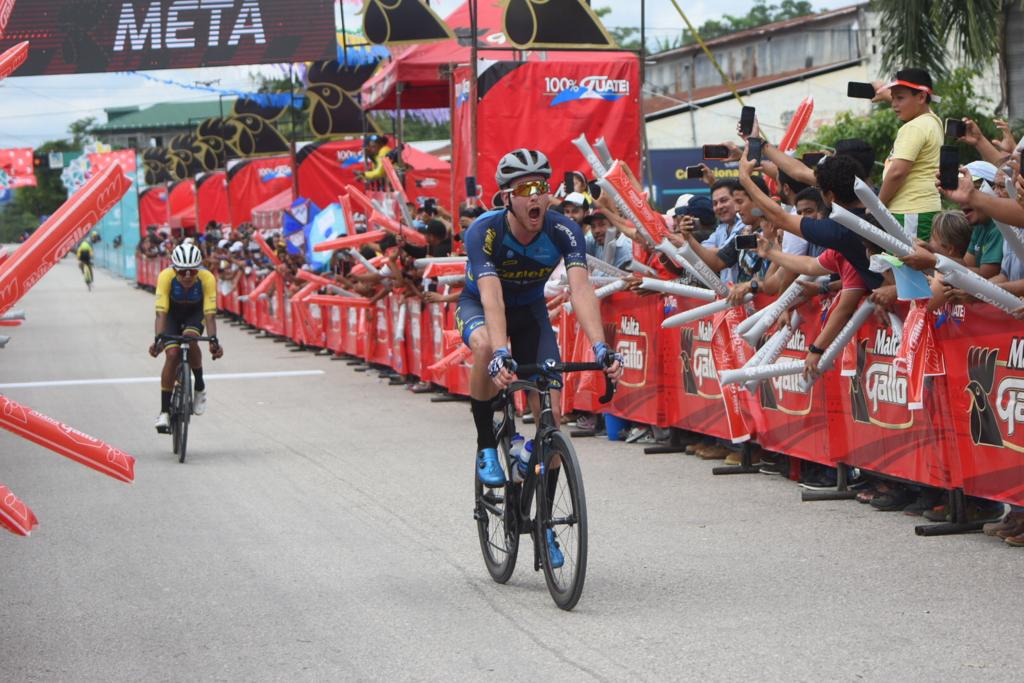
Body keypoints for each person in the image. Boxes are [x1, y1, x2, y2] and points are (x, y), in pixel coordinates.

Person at [457, 148, 623, 499]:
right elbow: (492, 298)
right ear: (506, 198)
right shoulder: (484, 231)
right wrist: (502, 352)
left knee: (553, 417)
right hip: (482, 305)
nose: (534, 196)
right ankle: (486, 444)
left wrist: (601, 347)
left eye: (540, 187)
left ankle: (545, 523)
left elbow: (580, 290)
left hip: (530, 312)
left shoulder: (564, 229)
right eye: (523, 190)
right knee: (486, 347)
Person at [149, 243, 224, 433]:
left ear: (199, 268)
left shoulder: (207, 278)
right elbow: (161, 314)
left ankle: (199, 386)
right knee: (172, 354)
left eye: (192, 271)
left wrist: (213, 340)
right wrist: (158, 338)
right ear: (174, 269)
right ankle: (164, 412)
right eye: (182, 272)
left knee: (190, 339)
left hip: (194, 313)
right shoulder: (165, 276)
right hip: (172, 314)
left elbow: (210, 314)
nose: (188, 276)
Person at [874, 68, 943, 240]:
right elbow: (920, 100)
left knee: (906, 265)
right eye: (893, 97)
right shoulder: (933, 121)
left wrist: (877, 206)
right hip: (922, 209)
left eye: (900, 98)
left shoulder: (913, 128)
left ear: (921, 97)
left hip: (909, 212)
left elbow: (897, 172)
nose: (894, 104)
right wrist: (886, 93)